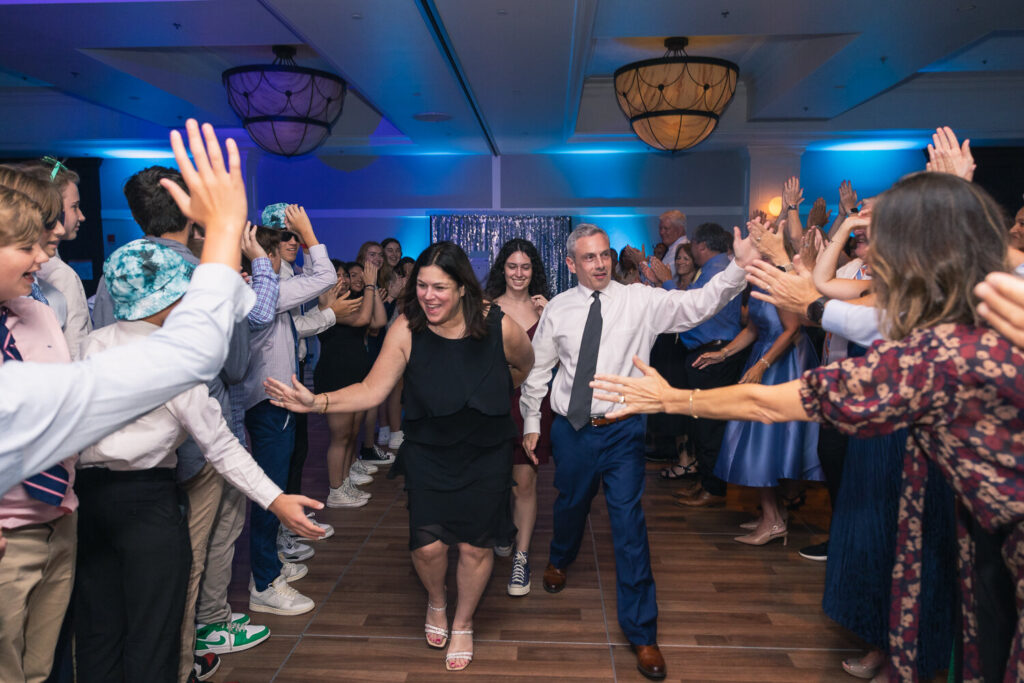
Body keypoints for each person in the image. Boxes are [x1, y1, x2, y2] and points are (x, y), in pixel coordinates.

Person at [590, 172, 1024, 683]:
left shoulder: (943, 354)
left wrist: (673, 398)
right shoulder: (973, 324)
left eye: (878, 232)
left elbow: (771, 403)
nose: (866, 245)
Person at [265, 241, 534, 672]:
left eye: (440, 287)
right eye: (422, 286)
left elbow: (522, 366)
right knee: (427, 547)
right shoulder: (408, 328)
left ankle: (463, 622)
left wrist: (490, 389)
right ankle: (436, 600)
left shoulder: (497, 325)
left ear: (463, 288)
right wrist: (317, 402)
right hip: (428, 450)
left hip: (486, 450)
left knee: (474, 546)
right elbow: (373, 389)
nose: (429, 296)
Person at [519, 222, 762, 680]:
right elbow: (539, 369)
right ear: (571, 264)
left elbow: (696, 306)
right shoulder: (558, 310)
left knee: (629, 525)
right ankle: (559, 556)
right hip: (572, 430)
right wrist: (533, 422)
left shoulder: (639, 301)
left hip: (623, 431)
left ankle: (643, 633)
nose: (599, 264)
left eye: (604, 255)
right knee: (570, 502)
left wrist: (739, 268)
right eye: (588, 258)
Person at [74, 239, 322, 683]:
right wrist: (276, 498)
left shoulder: (87, 346)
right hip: (148, 504)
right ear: (170, 299)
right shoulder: (175, 361)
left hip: (88, 503)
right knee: (154, 633)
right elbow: (221, 446)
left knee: (98, 629)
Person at [0, 119, 260, 497]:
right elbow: (228, 367)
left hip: (106, 464)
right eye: (27, 244)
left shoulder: (107, 277)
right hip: (181, 449)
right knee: (203, 551)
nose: (45, 247)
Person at [236, 205, 336, 617]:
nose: (286, 249)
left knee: (276, 487)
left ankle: (271, 566)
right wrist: (310, 232)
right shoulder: (266, 291)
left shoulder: (269, 287)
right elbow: (326, 276)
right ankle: (263, 582)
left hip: (276, 398)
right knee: (270, 493)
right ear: (265, 255)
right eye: (278, 245)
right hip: (269, 401)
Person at [0, 185, 78, 683]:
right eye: (27, 245)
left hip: (59, 518)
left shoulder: (38, 311)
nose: (42, 255)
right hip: (8, 539)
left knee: (38, 672)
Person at [483, 238, 552, 596]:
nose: (519, 273)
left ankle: (521, 560)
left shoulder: (548, 310)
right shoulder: (488, 308)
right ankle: (504, 530)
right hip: (495, 405)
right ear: (502, 269)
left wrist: (547, 318)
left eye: (525, 267)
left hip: (533, 407)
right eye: (512, 266)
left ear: (533, 271)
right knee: (496, 482)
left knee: (525, 483)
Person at [314, 258, 385, 508]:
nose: (343, 279)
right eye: (338, 275)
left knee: (351, 434)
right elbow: (363, 320)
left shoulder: (349, 303)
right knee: (340, 436)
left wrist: (372, 290)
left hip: (354, 375)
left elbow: (377, 322)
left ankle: (344, 484)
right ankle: (336, 491)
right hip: (335, 376)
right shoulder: (328, 304)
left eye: (344, 275)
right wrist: (369, 285)